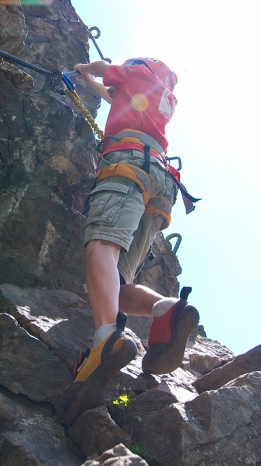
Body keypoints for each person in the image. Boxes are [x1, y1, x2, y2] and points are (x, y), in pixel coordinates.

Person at [61, 57, 199, 426]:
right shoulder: (162, 97)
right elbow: (114, 95)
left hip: (128, 165)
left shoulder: (138, 72)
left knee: (100, 248)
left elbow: (107, 68)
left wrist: (86, 67)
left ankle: (106, 339)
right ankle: (167, 309)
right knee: (116, 281)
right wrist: (90, 83)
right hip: (162, 181)